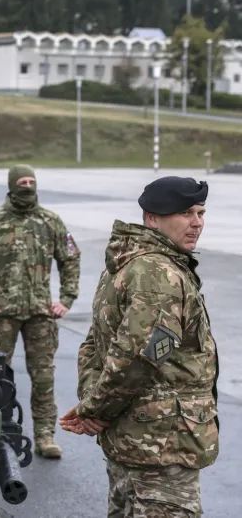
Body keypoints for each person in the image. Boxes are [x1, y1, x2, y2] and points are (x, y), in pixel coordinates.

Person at [61, 176, 219, 517]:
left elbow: (94, 346)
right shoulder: (158, 272)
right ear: (152, 218)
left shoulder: (126, 262)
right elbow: (139, 359)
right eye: (186, 213)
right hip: (162, 448)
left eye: (200, 213)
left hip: (134, 440)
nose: (197, 223)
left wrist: (93, 407)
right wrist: (95, 413)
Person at [0, 164, 80, 459]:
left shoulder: (50, 220)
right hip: (0, 314)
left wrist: (66, 299)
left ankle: (45, 436)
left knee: (43, 378)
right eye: (22, 181)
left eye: (31, 181)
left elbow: (70, 259)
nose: (27, 186)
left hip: (41, 314)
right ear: (12, 185)